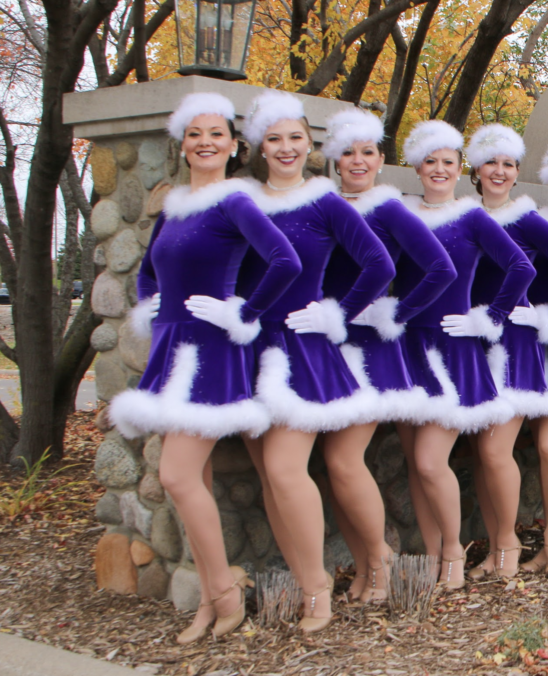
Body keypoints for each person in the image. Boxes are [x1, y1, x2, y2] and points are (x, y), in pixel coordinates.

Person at [109, 92, 301, 643]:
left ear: (234, 145)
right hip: (171, 350)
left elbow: (284, 260)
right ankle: (214, 596)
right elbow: (150, 272)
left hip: (211, 351)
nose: (205, 142)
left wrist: (244, 311)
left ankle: (221, 594)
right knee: (193, 480)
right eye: (195, 133)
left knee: (174, 474)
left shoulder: (235, 202)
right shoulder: (173, 206)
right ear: (183, 145)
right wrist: (153, 309)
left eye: (216, 133)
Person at [239, 90, 395, 633]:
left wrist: (338, 314)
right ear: (258, 145)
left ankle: (334, 582)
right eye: (275, 139)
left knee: (288, 467)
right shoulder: (241, 200)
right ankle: (316, 579)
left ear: (311, 145)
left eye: (296, 139)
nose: (285, 148)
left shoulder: (325, 200)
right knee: (270, 476)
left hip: (303, 348)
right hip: (246, 347)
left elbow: (378, 265)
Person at [320, 108, 457, 602]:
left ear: (381, 159)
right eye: (348, 152)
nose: (358, 160)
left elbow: (440, 269)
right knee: (333, 461)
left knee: (343, 457)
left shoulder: (391, 209)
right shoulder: (322, 205)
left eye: (368, 152)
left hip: (371, 347)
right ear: (334, 159)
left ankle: (381, 560)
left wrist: (394, 313)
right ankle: (362, 568)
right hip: (319, 344)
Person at [399, 120, 535, 587]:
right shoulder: (401, 213)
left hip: (455, 349)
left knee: (430, 460)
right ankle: (434, 555)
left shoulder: (472, 217)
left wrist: (492, 317)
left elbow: (521, 267)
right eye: (430, 161)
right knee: (414, 460)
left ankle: (458, 551)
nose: (438, 169)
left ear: (461, 169)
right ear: (416, 166)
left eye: (447, 162)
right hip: (407, 346)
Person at [463, 125, 548, 578]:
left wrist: (544, 317)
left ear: (517, 173)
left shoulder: (528, 220)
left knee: (501, 449)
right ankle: (501, 544)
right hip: (468, 343)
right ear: (475, 169)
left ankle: (515, 545)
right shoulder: (465, 216)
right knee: (483, 451)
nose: (499, 171)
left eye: (508, 165)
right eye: (491, 163)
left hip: (515, 346)